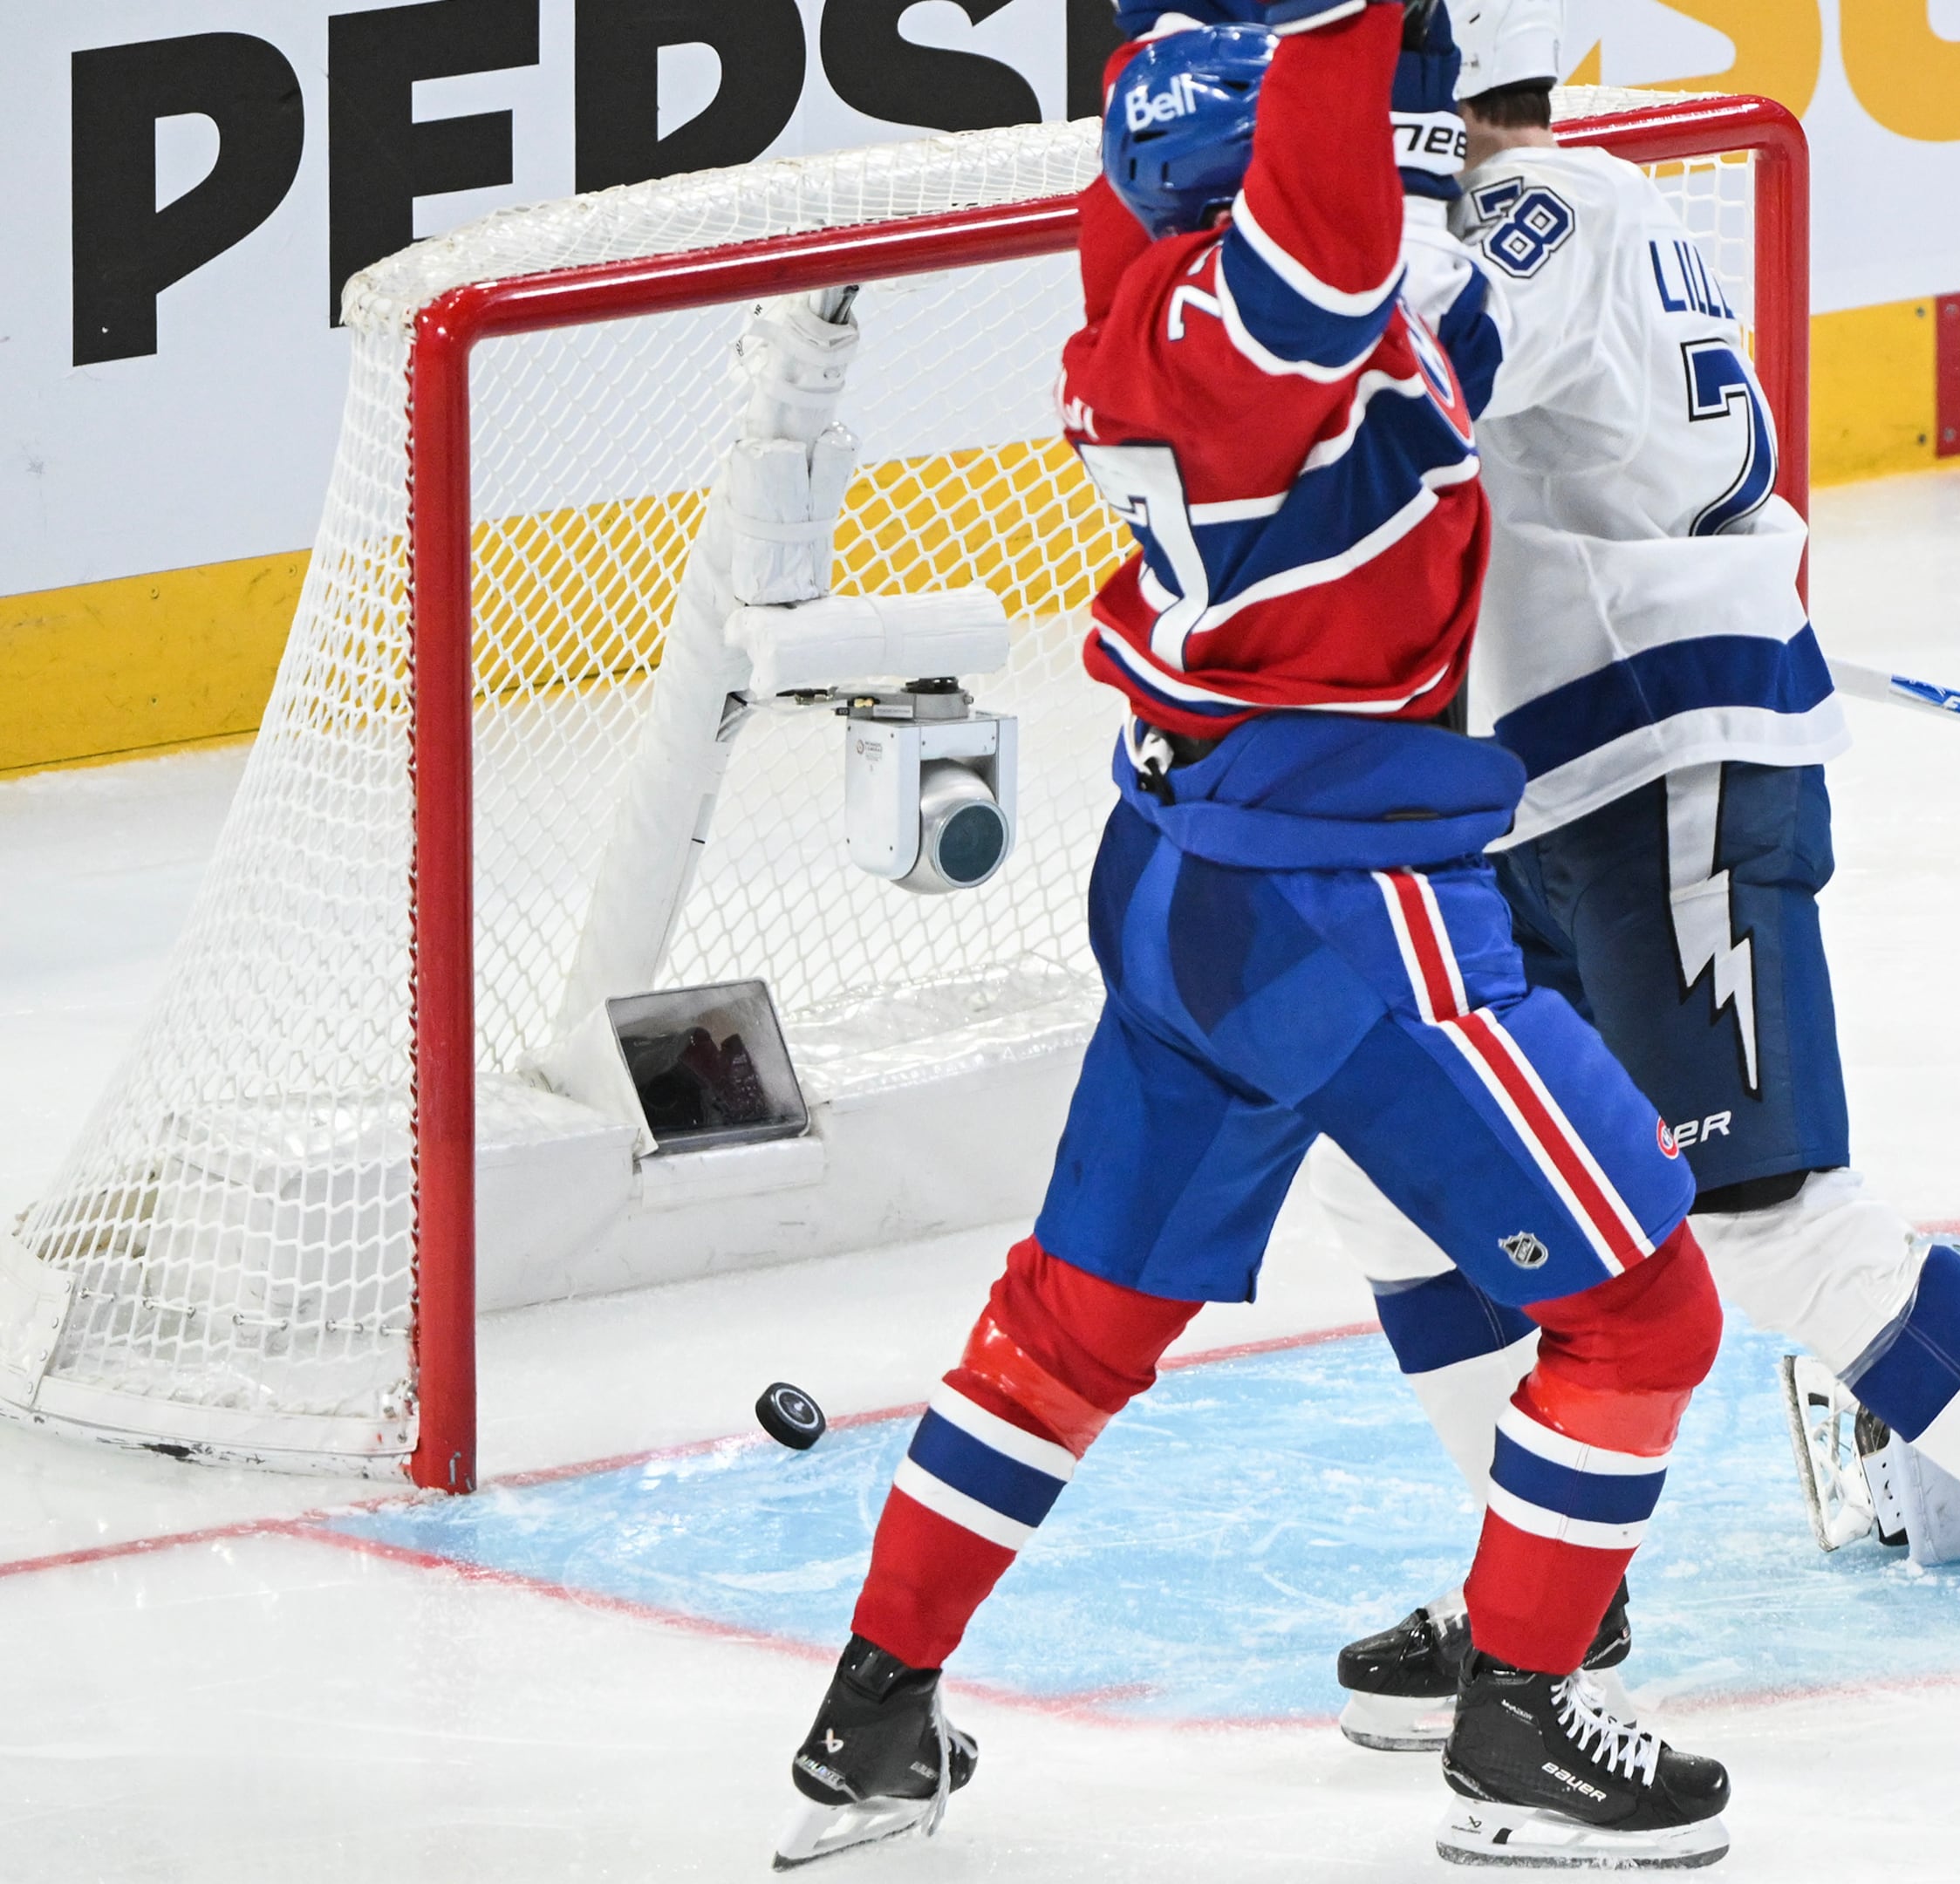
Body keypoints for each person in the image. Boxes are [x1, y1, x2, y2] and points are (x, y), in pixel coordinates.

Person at [1296, 0, 1960, 1832]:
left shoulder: (1539, 218)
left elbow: (1380, 397)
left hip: (1662, 767)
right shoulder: (1564, 207)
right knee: (1393, 1170)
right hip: (1545, 785)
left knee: (1762, 1221)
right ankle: (1556, 1610)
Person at [774, 2, 1738, 1867]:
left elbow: (1218, 123)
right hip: (1351, 914)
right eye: (1380, 156)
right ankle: (1520, 1734)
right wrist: (1347, 20)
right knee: (1643, 1313)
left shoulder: (1140, 282)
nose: (1407, 175)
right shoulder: (1262, 329)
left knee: (1070, 1330)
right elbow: (1318, 176)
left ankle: (869, 1721)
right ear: (1268, 189)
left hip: (1186, 877)